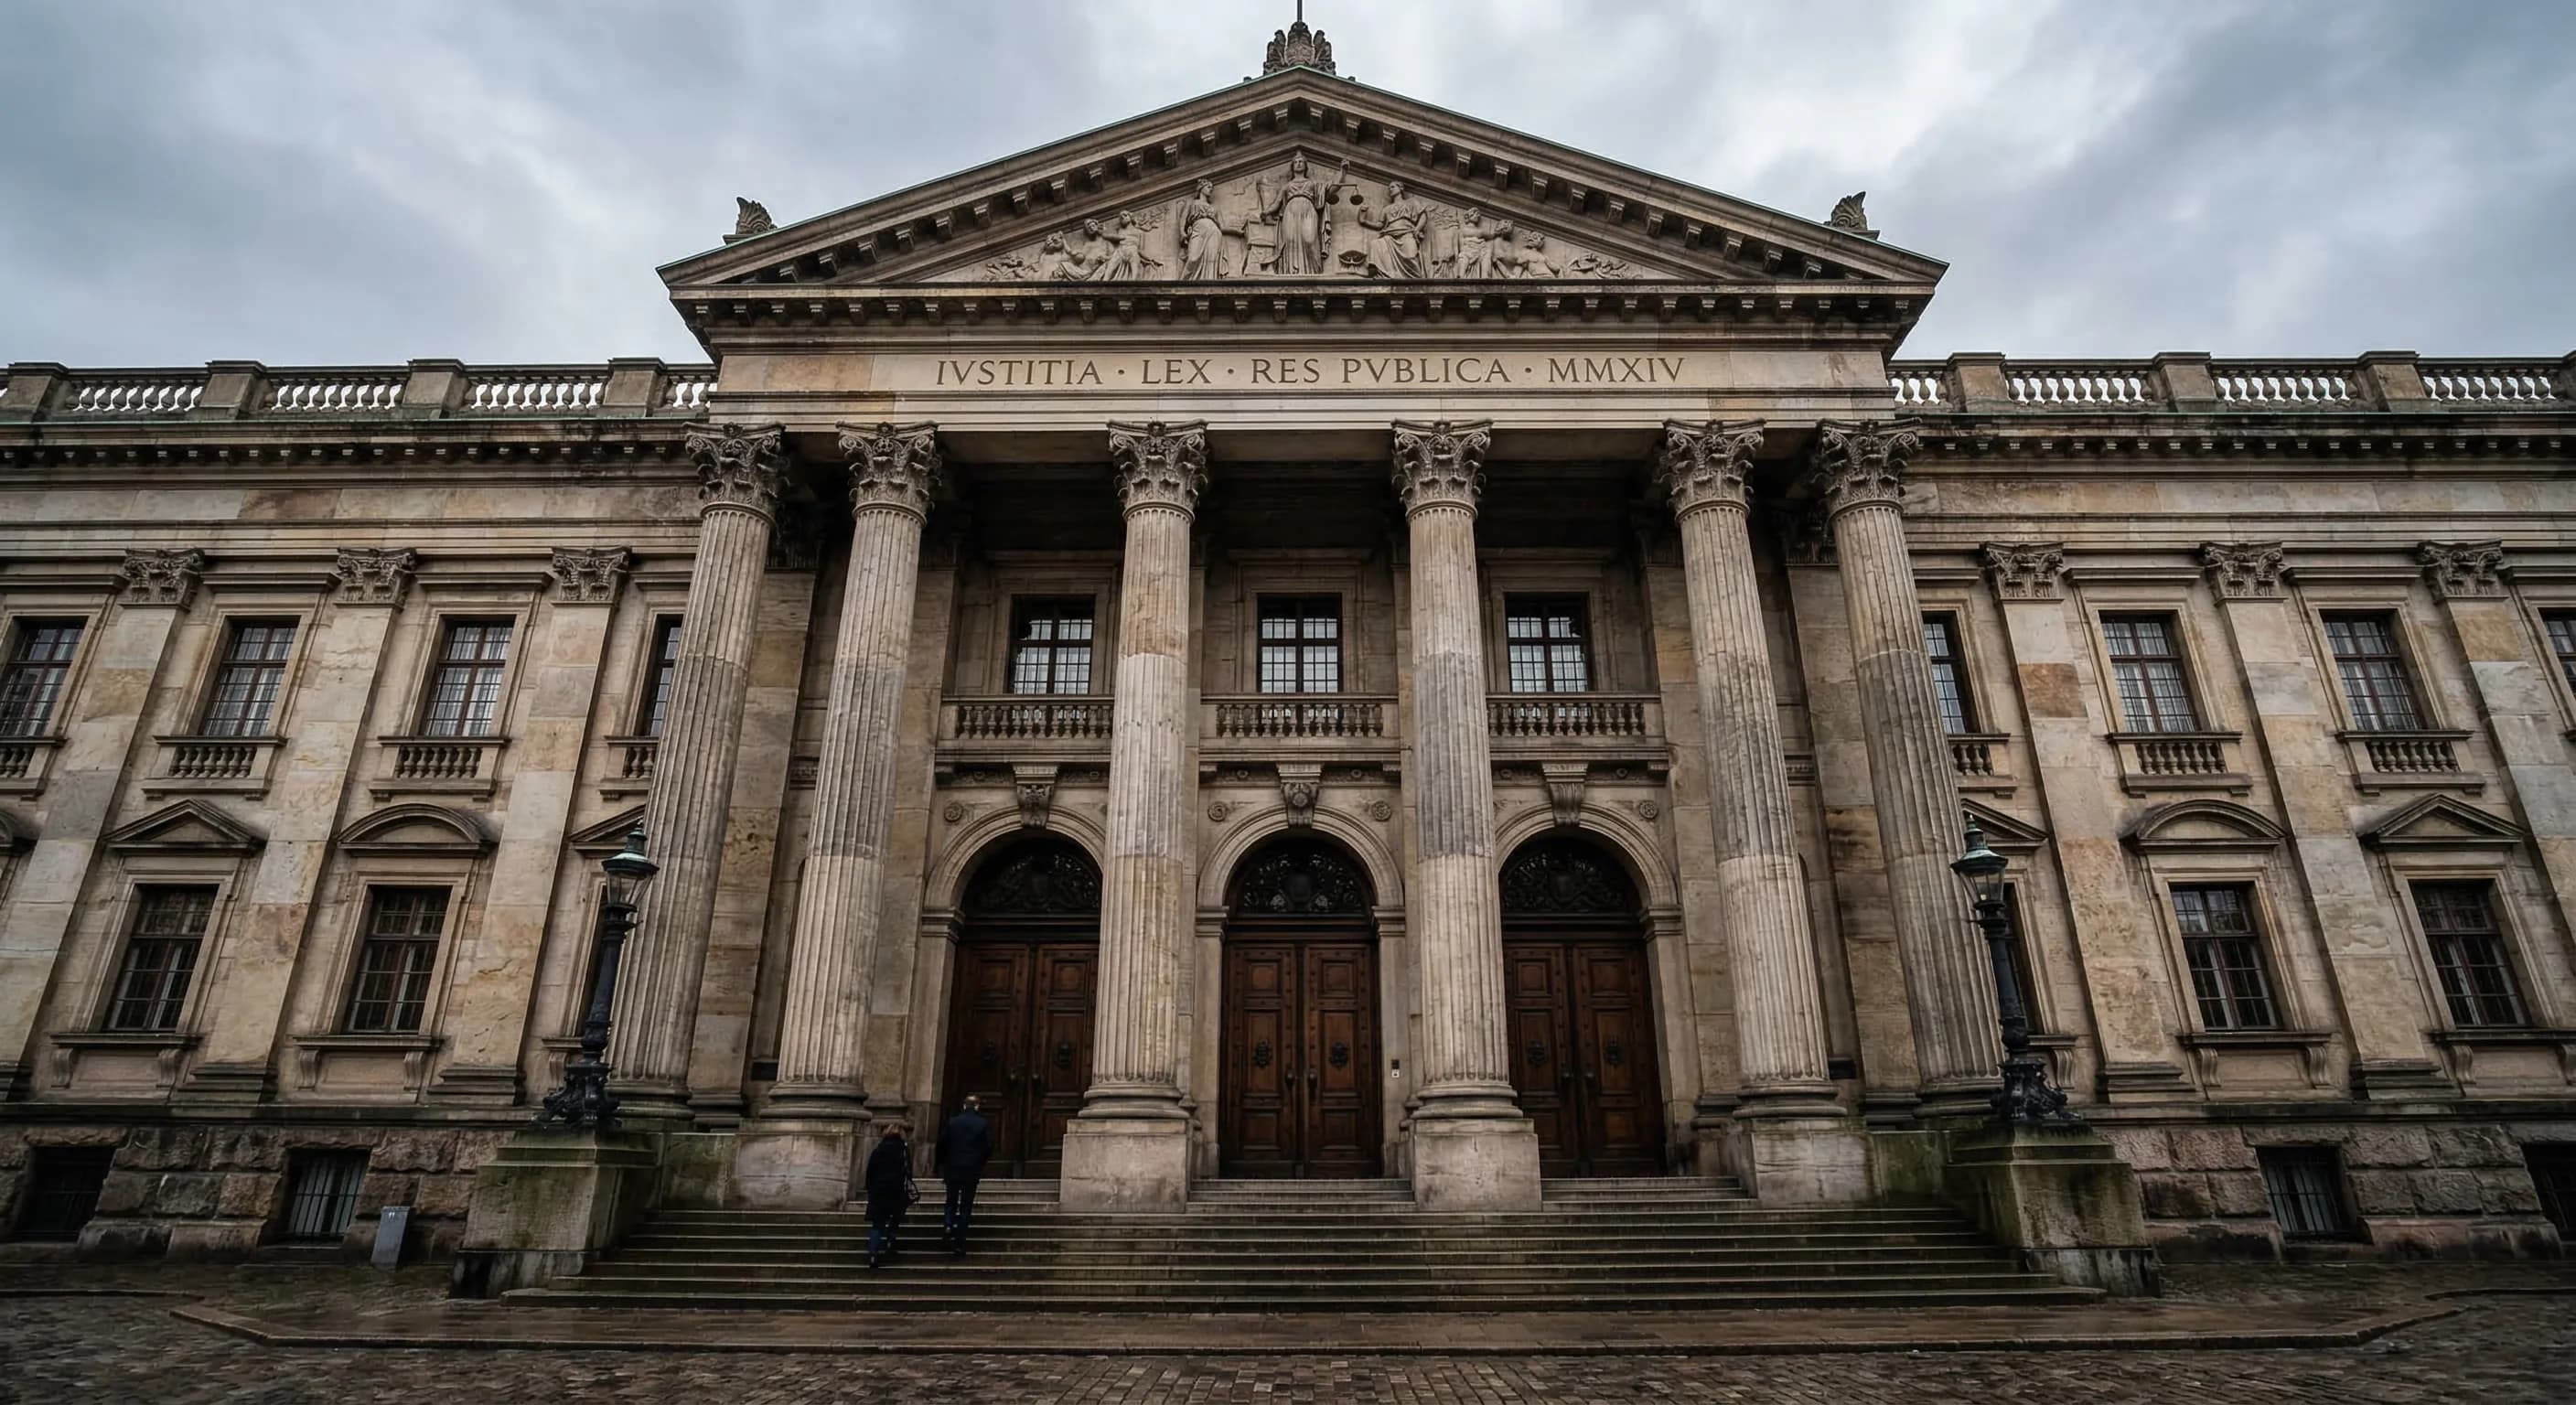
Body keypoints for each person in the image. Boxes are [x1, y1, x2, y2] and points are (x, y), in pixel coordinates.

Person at [935, 1095, 994, 1256]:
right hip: (971, 1169)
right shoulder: (982, 1124)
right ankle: (960, 1242)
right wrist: (980, 1162)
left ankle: (948, 1224)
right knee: (966, 1206)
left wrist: (942, 1164)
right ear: (977, 1107)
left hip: (952, 1168)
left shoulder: (952, 1122)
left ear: (964, 1106)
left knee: (951, 1200)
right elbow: (988, 1147)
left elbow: (942, 1143)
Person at [862, 1121, 915, 1270]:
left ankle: (873, 1255)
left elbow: (870, 1172)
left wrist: (871, 1189)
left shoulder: (878, 1150)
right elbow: (909, 1171)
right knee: (895, 1217)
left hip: (878, 1191)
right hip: (896, 1190)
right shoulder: (903, 1151)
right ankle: (891, 1241)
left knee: (877, 1225)